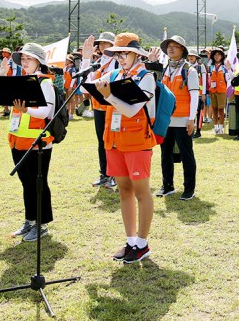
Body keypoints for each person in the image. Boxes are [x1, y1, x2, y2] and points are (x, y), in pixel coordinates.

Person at [93, 33, 156, 263]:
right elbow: (87, 88)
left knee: (142, 192)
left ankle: (142, 243)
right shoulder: (115, 74)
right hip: (114, 141)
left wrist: (109, 96)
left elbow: (132, 110)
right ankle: (130, 242)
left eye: (124, 53)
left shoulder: (146, 77)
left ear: (136, 54)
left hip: (138, 142)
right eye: (117, 53)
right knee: (124, 191)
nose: (120, 57)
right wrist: (90, 59)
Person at [3, 43, 57, 241]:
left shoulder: (45, 83)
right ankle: (30, 221)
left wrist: (26, 110)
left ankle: (42, 225)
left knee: (38, 183)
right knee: (26, 183)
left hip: (38, 142)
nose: (24, 63)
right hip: (18, 140)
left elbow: (45, 112)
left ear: (39, 62)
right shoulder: (22, 81)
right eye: (23, 59)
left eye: (29, 59)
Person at [154, 35, 199, 200]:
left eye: (175, 46)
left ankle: (189, 188)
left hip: (183, 119)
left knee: (187, 154)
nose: (170, 48)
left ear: (183, 50)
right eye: (169, 46)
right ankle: (167, 186)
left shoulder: (190, 70)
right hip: (166, 119)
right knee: (165, 153)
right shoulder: (165, 68)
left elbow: (194, 95)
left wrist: (191, 118)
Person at [83, 32, 119, 189]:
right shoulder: (97, 62)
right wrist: (86, 59)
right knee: (102, 141)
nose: (104, 47)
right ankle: (104, 173)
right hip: (98, 107)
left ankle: (116, 175)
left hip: (114, 108)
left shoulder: (117, 63)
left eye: (107, 44)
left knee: (114, 141)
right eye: (101, 44)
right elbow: (85, 81)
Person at [207, 47, 230, 134]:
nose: (217, 57)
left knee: (221, 109)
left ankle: (221, 127)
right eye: (215, 55)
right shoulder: (211, 66)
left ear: (222, 56)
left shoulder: (224, 67)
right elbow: (209, 79)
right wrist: (208, 90)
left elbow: (228, 79)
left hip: (221, 90)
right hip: (212, 90)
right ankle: (215, 127)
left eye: (219, 55)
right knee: (214, 109)